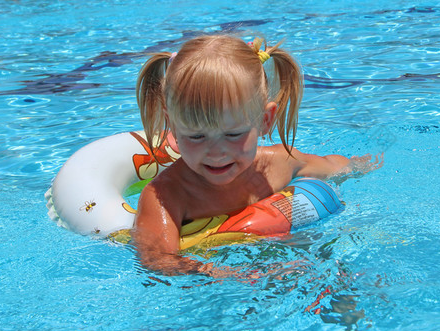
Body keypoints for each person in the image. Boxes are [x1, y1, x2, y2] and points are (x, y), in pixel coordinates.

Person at [132, 35, 379, 276]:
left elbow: (333, 166)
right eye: (196, 137)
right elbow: (157, 259)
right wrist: (225, 273)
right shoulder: (165, 196)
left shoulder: (281, 163)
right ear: (172, 125)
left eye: (233, 134)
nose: (216, 152)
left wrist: (360, 165)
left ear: (265, 121)